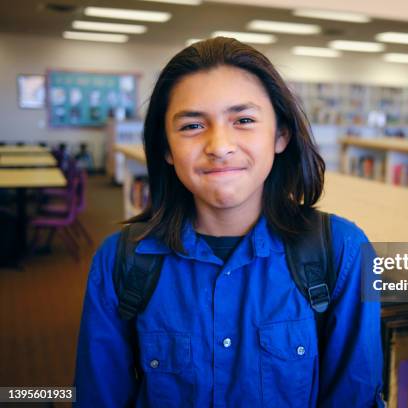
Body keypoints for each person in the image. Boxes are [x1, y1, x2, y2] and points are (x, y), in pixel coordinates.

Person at [74, 37, 383, 407]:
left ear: (280, 135)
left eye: (244, 120)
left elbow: (356, 397)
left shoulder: (342, 250)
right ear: (166, 149)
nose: (219, 145)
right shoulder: (120, 261)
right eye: (191, 126)